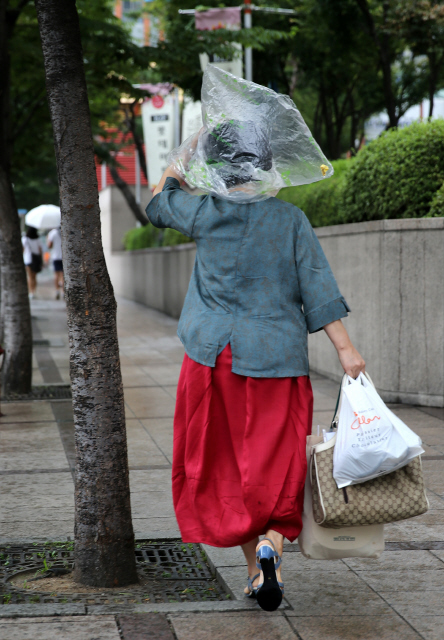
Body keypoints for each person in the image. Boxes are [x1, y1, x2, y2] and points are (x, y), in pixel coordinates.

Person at [145, 121, 365, 612]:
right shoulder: (289, 219)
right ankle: (271, 545)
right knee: (276, 459)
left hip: (213, 358)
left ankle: (255, 568)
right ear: (267, 162)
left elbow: (158, 201)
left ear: (219, 167)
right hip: (276, 357)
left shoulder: (204, 212)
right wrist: (346, 351)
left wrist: (187, 150)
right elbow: (319, 289)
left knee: (224, 461)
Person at [22, 226, 43, 299]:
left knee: (30, 276)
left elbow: (22, 249)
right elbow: (40, 250)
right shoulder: (37, 239)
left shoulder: (25, 239)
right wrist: (41, 260)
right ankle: (33, 291)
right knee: (34, 277)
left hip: (27, 259)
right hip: (36, 260)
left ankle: (31, 292)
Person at [47, 227, 63, 299]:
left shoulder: (52, 233)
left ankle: (57, 290)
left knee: (56, 274)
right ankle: (63, 291)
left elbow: (49, 246)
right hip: (64, 256)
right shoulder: (65, 231)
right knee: (63, 275)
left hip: (56, 256)